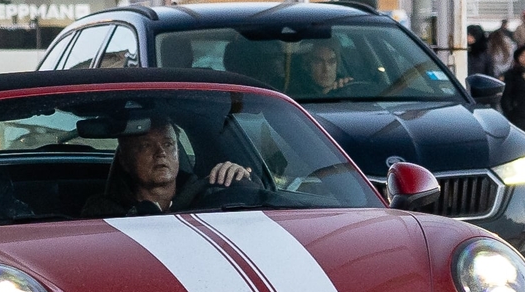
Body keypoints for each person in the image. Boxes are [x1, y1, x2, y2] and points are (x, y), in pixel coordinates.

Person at [87, 117, 254, 216]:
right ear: (124, 161)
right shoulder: (103, 212)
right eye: (146, 146)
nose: (160, 153)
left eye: (168, 144)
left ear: (178, 152)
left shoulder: (210, 198)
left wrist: (245, 185)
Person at [291, 39, 367, 100]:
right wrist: (324, 95)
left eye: (332, 62)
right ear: (307, 65)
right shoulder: (295, 92)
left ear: (337, 64)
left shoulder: (347, 86)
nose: (326, 69)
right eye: (318, 62)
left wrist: (348, 89)